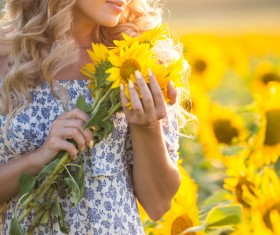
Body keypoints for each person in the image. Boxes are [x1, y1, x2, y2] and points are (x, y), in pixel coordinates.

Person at [0, 0, 186, 234]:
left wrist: (148, 127)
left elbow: (158, 205)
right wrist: (38, 159)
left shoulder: (136, 57)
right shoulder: (5, 58)